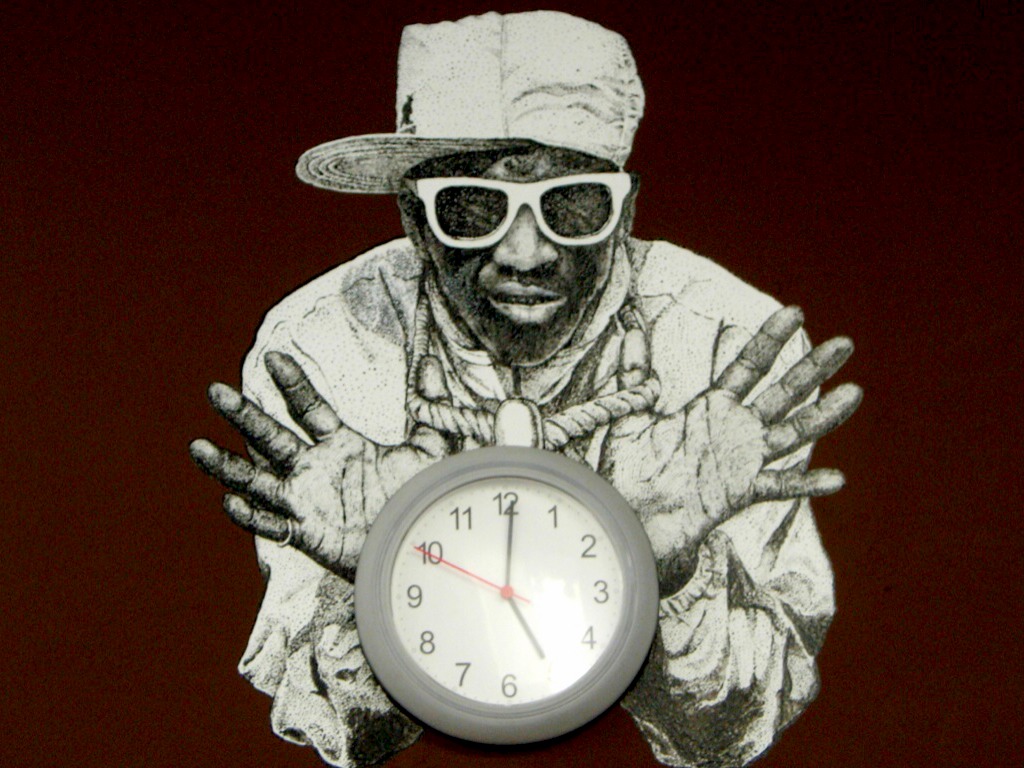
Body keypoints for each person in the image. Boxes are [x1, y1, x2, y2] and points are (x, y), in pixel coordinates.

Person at [190, 11, 861, 768]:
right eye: (472, 208)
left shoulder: (726, 344)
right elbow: (343, 732)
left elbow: (736, 731)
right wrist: (374, 580)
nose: (525, 253)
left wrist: (676, 578)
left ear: (624, 211)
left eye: (571, 203)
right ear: (413, 218)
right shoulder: (320, 347)